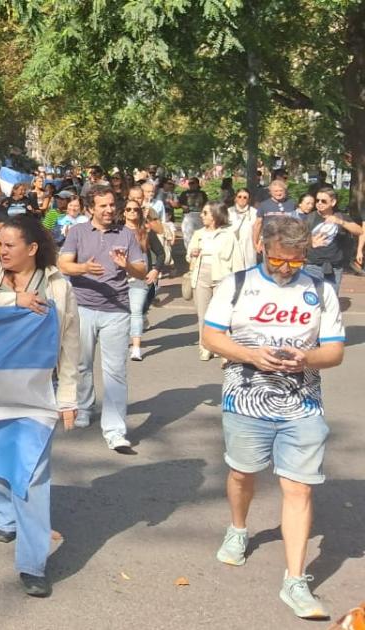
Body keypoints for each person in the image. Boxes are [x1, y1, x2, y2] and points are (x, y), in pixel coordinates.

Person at [202, 216, 345, 621]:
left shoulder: (319, 288)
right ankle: (238, 528)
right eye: (280, 260)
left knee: (299, 489)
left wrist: (308, 358)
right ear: (263, 247)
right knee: (243, 474)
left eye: (296, 262)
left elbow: (334, 352)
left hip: (303, 403)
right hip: (245, 398)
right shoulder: (237, 284)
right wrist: (250, 355)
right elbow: (210, 336)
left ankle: (295, 580)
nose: (286, 269)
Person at [0, 214, 80, 598]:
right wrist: (13, 300)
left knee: (31, 476)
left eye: (10, 245)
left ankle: (33, 563)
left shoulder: (59, 286)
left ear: (32, 249)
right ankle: (3, 516)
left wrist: (68, 399)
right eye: (0, 244)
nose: (2, 251)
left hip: (35, 395)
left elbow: (71, 343)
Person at [57, 185, 147, 454]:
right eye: (103, 206)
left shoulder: (127, 234)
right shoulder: (77, 232)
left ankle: (115, 430)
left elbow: (142, 270)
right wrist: (83, 268)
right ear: (90, 209)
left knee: (115, 372)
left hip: (117, 310)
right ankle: (84, 408)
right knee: (82, 364)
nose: (109, 210)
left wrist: (126, 266)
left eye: (112, 205)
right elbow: (63, 264)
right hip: (82, 307)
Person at [186, 202, 240, 361]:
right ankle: (205, 346)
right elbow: (189, 255)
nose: (201, 216)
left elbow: (236, 259)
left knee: (222, 314)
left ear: (215, 216)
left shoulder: (228, 235)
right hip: (200, 274)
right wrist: (193, 253)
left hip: (221, 276)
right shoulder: (199, 234)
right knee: (202, 314)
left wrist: (238, 280)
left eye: (205, 213)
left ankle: (224, 351)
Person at [123, 201, 164, 361]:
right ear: (124, 213)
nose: (132, 212)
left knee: (136, 311)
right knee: (121, 314)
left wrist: (155, 270)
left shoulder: (146, 231)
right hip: (118, 279)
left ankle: (136, 347)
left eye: (136, 209)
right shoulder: (116, 231)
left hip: (140, 279)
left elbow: (160, 253)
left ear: (140, 213)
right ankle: (121, 342)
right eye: (129, 209)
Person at [303, 187, 361, 294]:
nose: (319, 203)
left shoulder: (341, 217)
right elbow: (298, 239)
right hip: (313, 264)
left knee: (332, 298)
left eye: (323, 201)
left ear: (333, 202)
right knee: (313, 298)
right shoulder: (309, 218)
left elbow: (359, 231)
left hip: (335, 266)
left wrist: (340, 222)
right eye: (317, 200)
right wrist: (310, 242)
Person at [227, 187, 258, 271]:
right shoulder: (228, 212)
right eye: (239, 196)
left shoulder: (254, 212)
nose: (242, 199)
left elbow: (258, 230)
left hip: (249, 246)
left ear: (248, 200)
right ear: (235, 198)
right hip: (233, 247)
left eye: (245, 197)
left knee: (249, 271)